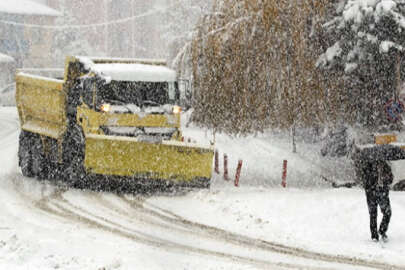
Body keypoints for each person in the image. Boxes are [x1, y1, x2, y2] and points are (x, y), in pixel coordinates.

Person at [362, 160, 393, 242]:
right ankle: (374, 236)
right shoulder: (368, 165)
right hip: (371, 193)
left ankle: (382, 230)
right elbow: (364, 179)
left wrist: (386, 177)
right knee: (373, 214)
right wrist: (373, 179)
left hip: (382, 193)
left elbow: (391, 179)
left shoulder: (385, 166)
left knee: (388, 213)